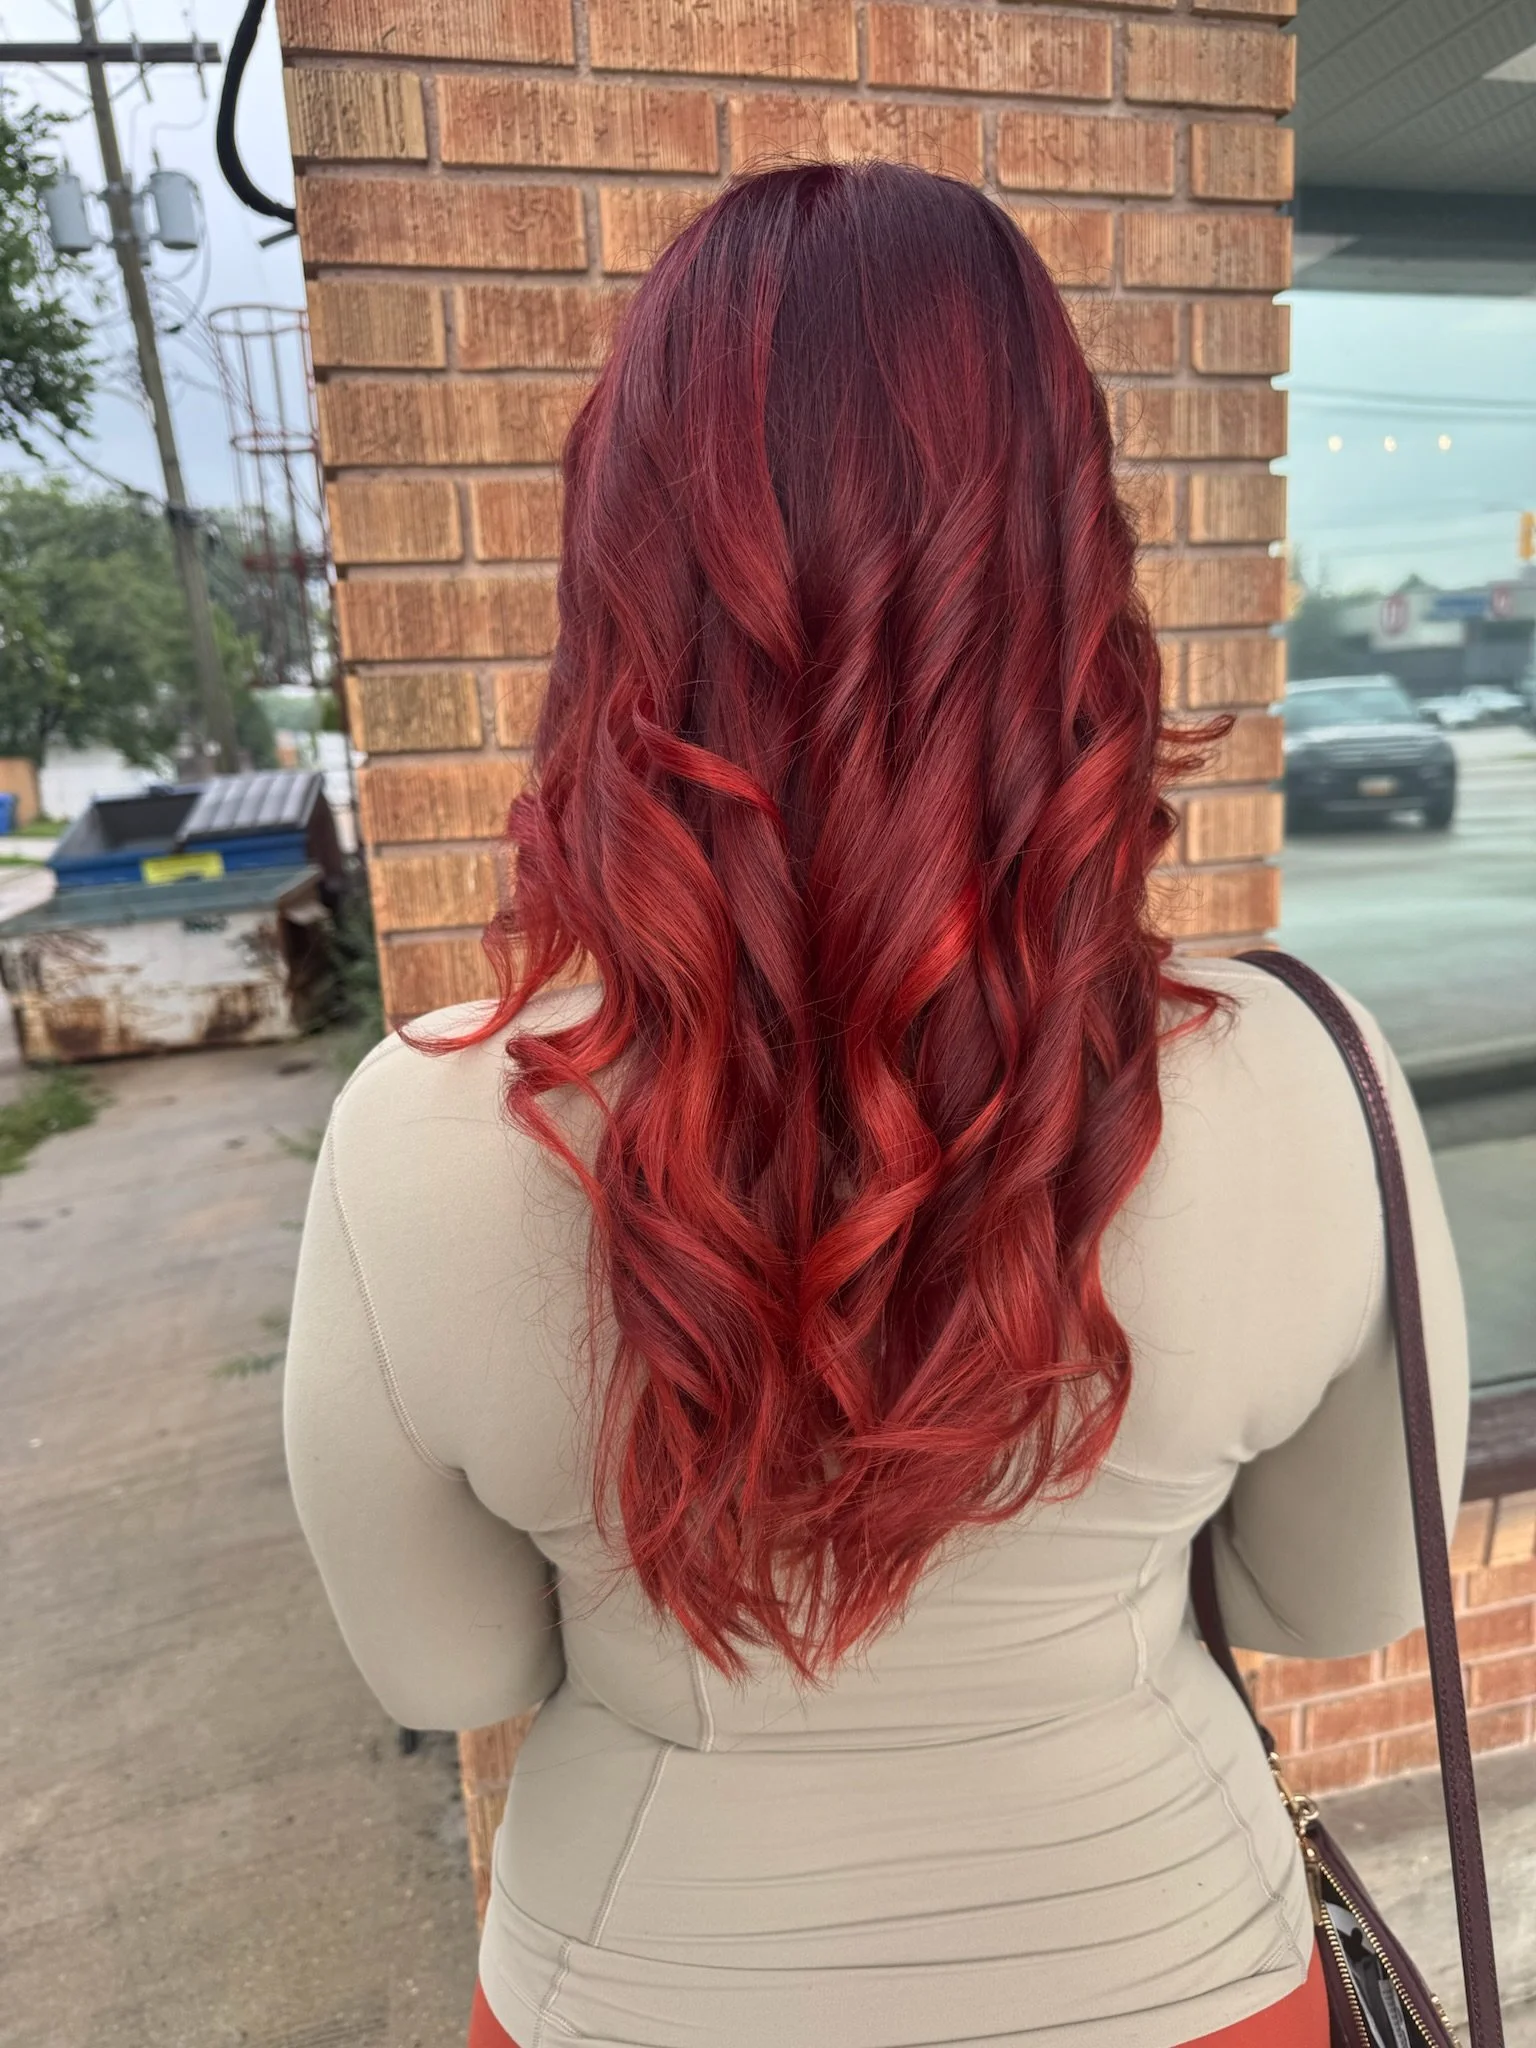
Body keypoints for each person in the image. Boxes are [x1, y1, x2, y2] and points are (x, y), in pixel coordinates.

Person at [284, 163, 1468, 2048]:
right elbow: (1333, 1604)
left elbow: (452, 1659)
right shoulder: (1307, 1082)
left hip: (638, 1983)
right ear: (1081, 562)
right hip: (1176, 1968)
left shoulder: (418, 1137)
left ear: (619, 578)